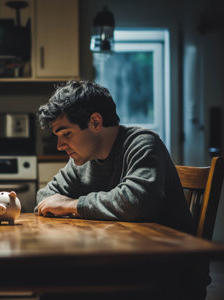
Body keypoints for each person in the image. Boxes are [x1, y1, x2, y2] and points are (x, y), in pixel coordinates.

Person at [36, 80, 210, 300]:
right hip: (121, 263)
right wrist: (63, 204)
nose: (60, 145)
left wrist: (72, 205)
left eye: (66, 134)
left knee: (58, 291)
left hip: (167, 273)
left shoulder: (143, 143)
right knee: (55, 288)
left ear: (96, 123)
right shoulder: (82, 160)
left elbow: (135, 201)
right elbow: (45, 197)